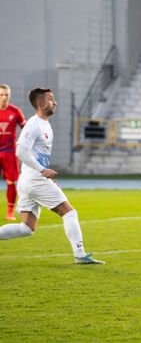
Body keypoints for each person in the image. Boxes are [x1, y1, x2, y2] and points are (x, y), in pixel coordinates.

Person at [0, 88, 104, 263]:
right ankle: (80, 254)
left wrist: (44, 174)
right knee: (69, 213)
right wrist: (42, 170)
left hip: (29, 180)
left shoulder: (44, 124)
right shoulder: (34, 124)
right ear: (40, 103)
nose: (55, 102)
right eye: (51, 99)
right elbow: (20, 151)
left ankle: (80, 255)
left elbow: (34, 154)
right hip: (34, 179)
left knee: (27, 228)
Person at [0, 84, 26, 220]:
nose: (4, 97)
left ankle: (10, 212)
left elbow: (26, 129)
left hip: (10, 152)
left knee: (11, 182)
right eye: (1, 95)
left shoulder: (15, 111)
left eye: (6, 95)